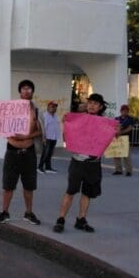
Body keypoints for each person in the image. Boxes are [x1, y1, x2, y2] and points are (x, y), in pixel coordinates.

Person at [53, 93, 108, 234]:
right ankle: (61, 219)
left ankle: (81, 219)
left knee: (87, 193)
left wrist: (117, 130)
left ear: (101, 107)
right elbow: (67, 138)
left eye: (96, 103)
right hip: (78, 161)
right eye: (90, 102)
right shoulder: (78, 119)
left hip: (94, 164)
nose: (92, 105)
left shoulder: (105, 122)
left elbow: (112, 138)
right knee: (70, 191)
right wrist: (65, 124)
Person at [0, 80, 42, 225]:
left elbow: (40, 131)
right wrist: (10, 134)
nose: (26, 91)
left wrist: (27, 136)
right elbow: (0, 126)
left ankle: (28, 213)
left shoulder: (35, 109)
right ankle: (4, 212)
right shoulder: (11, 108)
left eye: (29, 89)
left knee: (29, 185)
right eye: (24, 89)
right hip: (12, 151)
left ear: (32, 92)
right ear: (20, 92)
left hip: (28, 151)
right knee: (8, 185)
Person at [112, 104, 137, 176]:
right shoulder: (116, 119)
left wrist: (121, 132)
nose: (124, 112)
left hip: (126, 139)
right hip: (117, 139)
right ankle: (118, 170)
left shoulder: (130, 119)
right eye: (123, 110)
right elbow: (113, 127)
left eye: (126, 111)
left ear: (128, 111)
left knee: (126, 156)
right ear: (120, 111)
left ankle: (128, 171)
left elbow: (130, 128)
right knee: (116, 155)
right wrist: (115, 133)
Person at [38, 101, 60, 174]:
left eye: (55, 107)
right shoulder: (45, 116)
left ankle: (48, 168)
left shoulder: (55, 116)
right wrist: (43, 138)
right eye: (52, 106)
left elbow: (55, 127)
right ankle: (40, 167)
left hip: (54, 138)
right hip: (47, 138)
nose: (54, 108)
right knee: (45, 153)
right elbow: (42, 128)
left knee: (50, 154)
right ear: (48, 107)